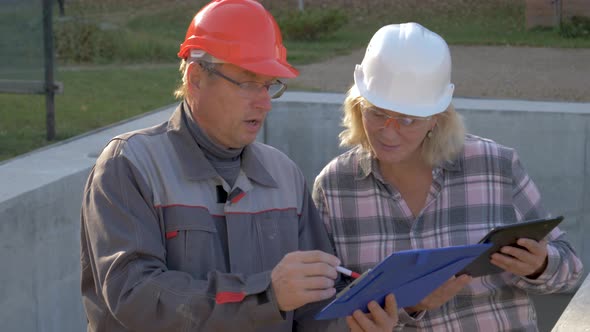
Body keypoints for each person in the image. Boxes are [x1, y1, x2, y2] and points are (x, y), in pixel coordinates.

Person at [80, 1, 398, 331]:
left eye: (268, 85)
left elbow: (314, 308)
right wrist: (265, 295)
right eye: (248, 83)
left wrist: (357, 321)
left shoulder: (284, 176)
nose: (263, 103)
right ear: (196, 78)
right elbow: (136, 297)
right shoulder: (130, 166)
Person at [312, 22, 584, 331]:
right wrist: (410, 305)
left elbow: (571, 271)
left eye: (407, 120)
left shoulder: (495, 167)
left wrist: (540, 265)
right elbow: (324, 308)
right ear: (356, 105)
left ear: (436, 119)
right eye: (375, 112)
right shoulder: (334, 188)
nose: (388, 132)